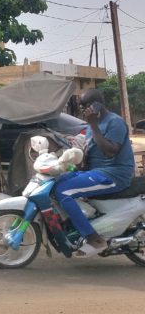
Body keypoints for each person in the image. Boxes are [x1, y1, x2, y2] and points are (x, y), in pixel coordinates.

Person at [54, 89, 135, 256]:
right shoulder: (92, 126)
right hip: (97, 172)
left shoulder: (115, 122)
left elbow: (110, 151)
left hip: (114, 174)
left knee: (64, 191)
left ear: (97, 104)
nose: (83, 109)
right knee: (56, 182)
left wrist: (93, 125)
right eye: (81, 106)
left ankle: (93, 238)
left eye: (85, 105)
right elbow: (91, 153)